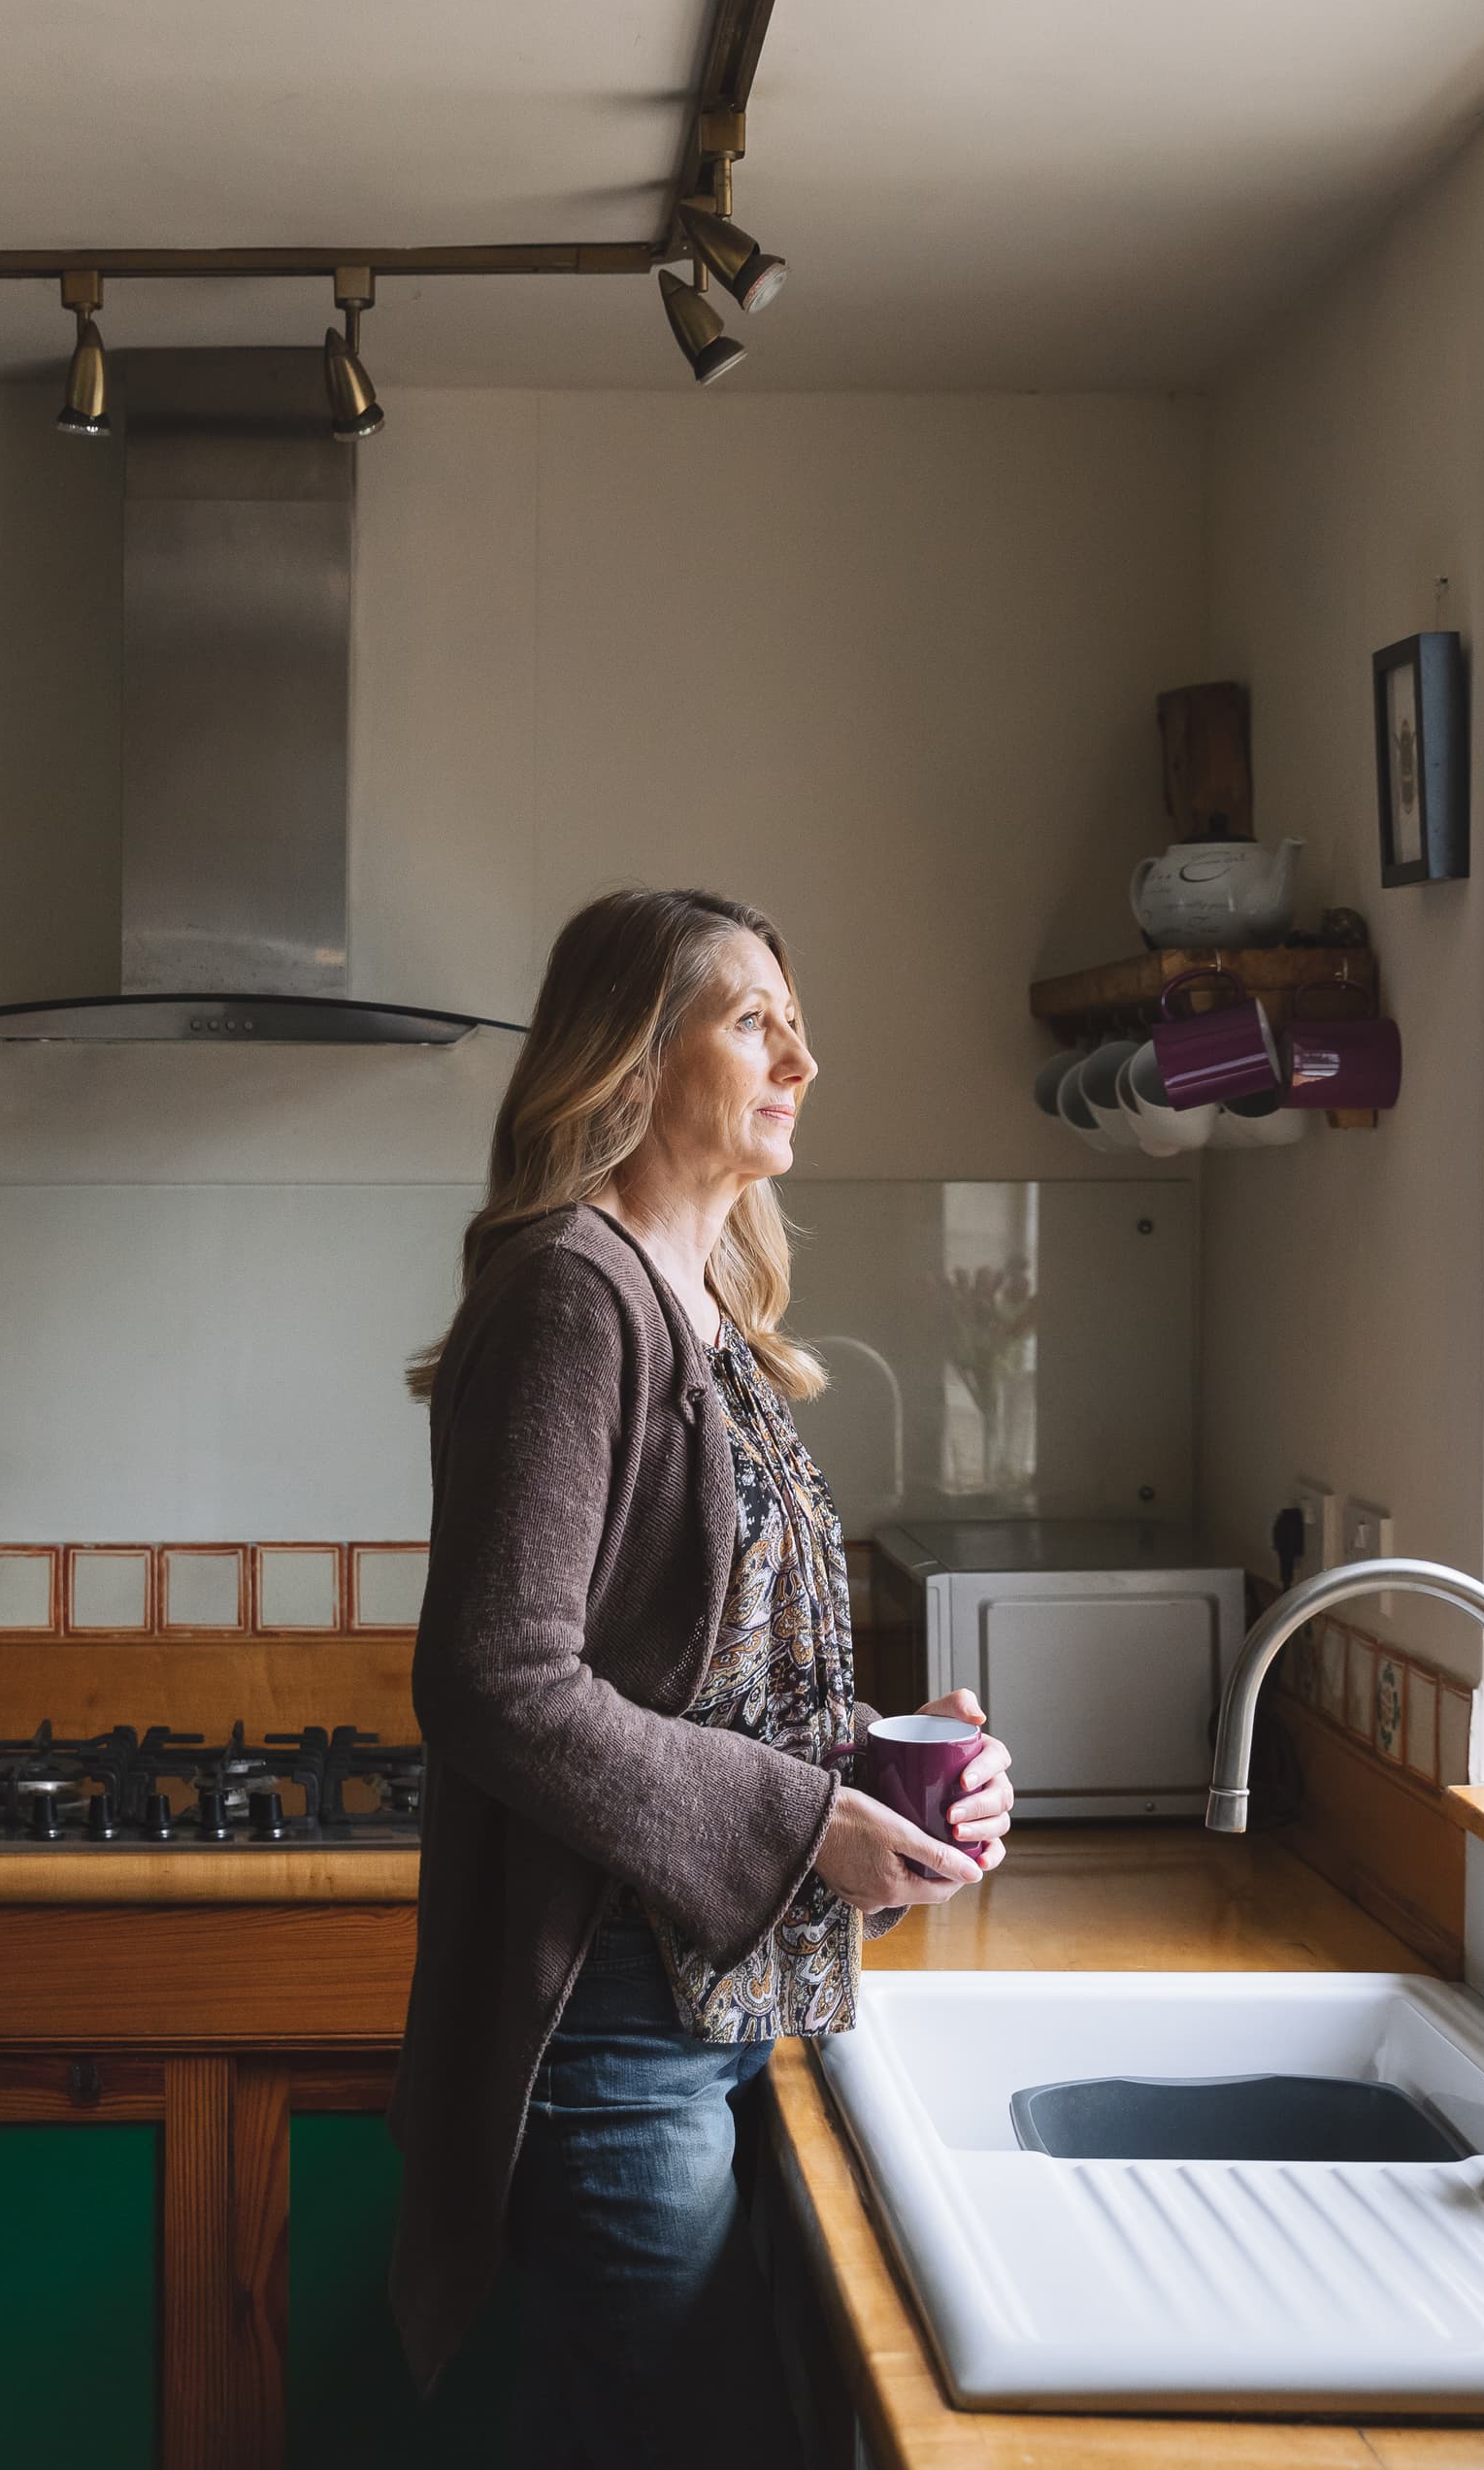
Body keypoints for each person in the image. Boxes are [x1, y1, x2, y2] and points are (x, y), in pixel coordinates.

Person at [390, 889, 1016, 2465]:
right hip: (616, 2024)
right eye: (753, 1020)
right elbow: (497, 1679)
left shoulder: (699, 1307)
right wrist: (811, 1823)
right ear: (630, 1057)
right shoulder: (570, 1297)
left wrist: (887, 1758)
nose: (802, 1056)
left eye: (793, 1023)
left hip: (714, 1993)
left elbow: (698, 1666)